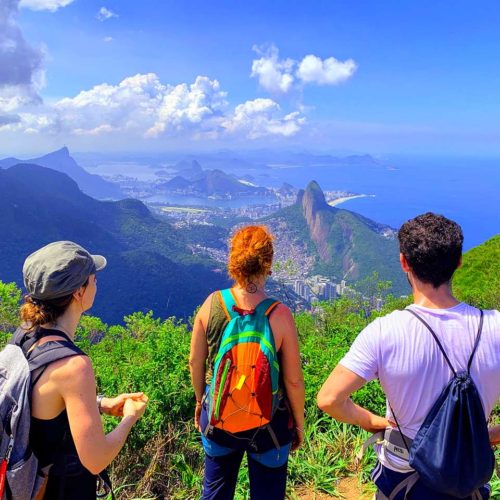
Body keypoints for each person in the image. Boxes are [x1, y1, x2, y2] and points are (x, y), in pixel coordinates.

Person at [317, 213, 500, 499]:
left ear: (404, 262)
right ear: (459, 262)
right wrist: (487, 433)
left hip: (404, 481)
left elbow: (328, 399)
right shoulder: (495, 327)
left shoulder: (384, 331)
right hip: (469, 484)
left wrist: (371, 420)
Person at [20, 241, 148, 498]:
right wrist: (129, 418)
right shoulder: (74, 366)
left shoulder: (25, 334)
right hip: (59, 489)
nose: (97, 283)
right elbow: (96, 459)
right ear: (79, 292)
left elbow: (43, 401)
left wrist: (98, 403)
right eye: (93, 279)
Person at [189, 225, 305, 500]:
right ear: (268, 263)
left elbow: (195, 361)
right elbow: (293, 380)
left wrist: (199, 402)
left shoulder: (211, 304)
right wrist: (298, 424)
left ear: (234, 261)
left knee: (215, 493)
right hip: (269, 427)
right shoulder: (281, 315)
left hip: (218, 418)